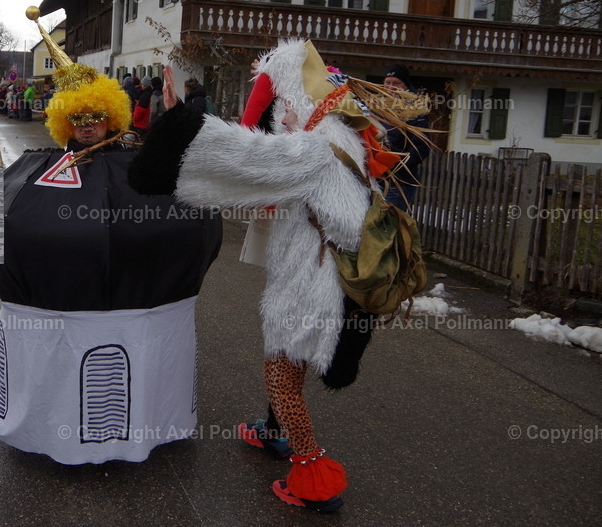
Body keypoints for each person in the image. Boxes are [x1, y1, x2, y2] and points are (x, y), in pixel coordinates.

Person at [130, 40, 429, 513]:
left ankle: (314, 477)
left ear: (303, 103)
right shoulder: (348, 142)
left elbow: (242, 154)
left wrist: (180, 121)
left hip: (313, 289)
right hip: (334, 286)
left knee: (282, 377)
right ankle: (272, 431)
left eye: (285, 105)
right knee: (292, 363)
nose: (281, 116)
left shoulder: (314, 150)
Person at [0, 7, 222, 465]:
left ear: (112, 115)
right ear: (64, 121)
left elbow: (192, 192)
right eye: (79, 118)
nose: (88, 124)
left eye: (96, 115)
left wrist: (176, 125)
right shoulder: (38, 169)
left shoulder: (143, 163)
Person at [381, 64, 430, 213]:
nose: (390, 87)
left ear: (405, 85)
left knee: (388, 221)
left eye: (396, 83)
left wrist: (397, 165)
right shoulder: (377, 106)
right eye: (387, 82)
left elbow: (421, 146)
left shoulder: (415, 110)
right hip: (376, 179)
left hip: (399, 182)